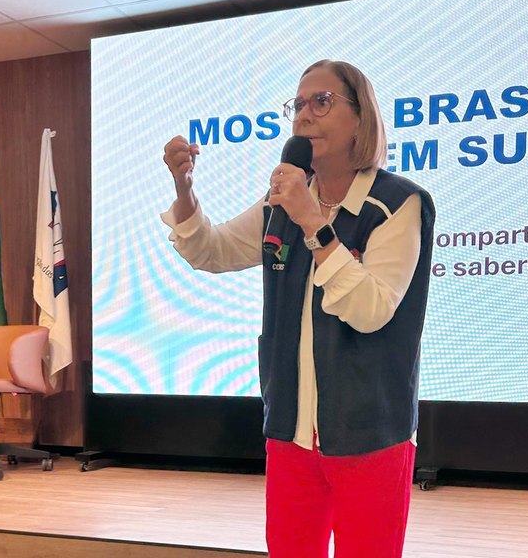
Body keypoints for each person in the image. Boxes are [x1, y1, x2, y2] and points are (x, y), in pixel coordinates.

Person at [161, 59, 435, 558]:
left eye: (322, 102)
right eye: (298, 104)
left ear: (361, 118)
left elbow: (371, 310)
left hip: (370, 431)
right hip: (291, 429)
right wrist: (185, 191)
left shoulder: (396, 204)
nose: (304, 115)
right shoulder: (281, 203)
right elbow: (211, 251)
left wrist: (315, 225)